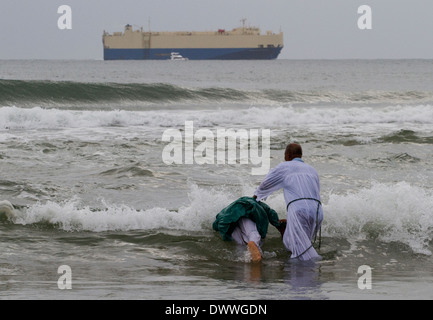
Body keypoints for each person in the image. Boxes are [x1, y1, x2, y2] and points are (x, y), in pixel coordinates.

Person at [253, 143, 323, 261]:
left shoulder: (285, 166)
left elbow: (265, 184)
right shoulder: (312, 170)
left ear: (288, 155)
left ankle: (301, 274)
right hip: (317, 212)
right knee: (303, 246)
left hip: (300, 212)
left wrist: (253, 199)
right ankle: (307, 274)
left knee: (301, 253)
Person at [212, 196, 286, 263]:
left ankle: (244, 257)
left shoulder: (228, 208)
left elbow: (216, 224)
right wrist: (277, 223)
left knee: (240, 244)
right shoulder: (257, 204)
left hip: (227, 221)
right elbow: (271, 213)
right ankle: (255, 247)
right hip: (244, 213)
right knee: (253, 234)